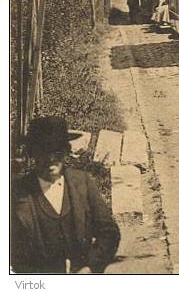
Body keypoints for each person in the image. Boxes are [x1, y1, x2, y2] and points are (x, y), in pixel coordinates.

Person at [12, 117, 121, 273]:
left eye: (56, 152)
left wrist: (90, 266)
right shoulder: (17, 193)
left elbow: (109, 233)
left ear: (65, 151)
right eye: (43, 152)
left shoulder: (82, 183)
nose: (50, 159)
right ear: (33, 154)